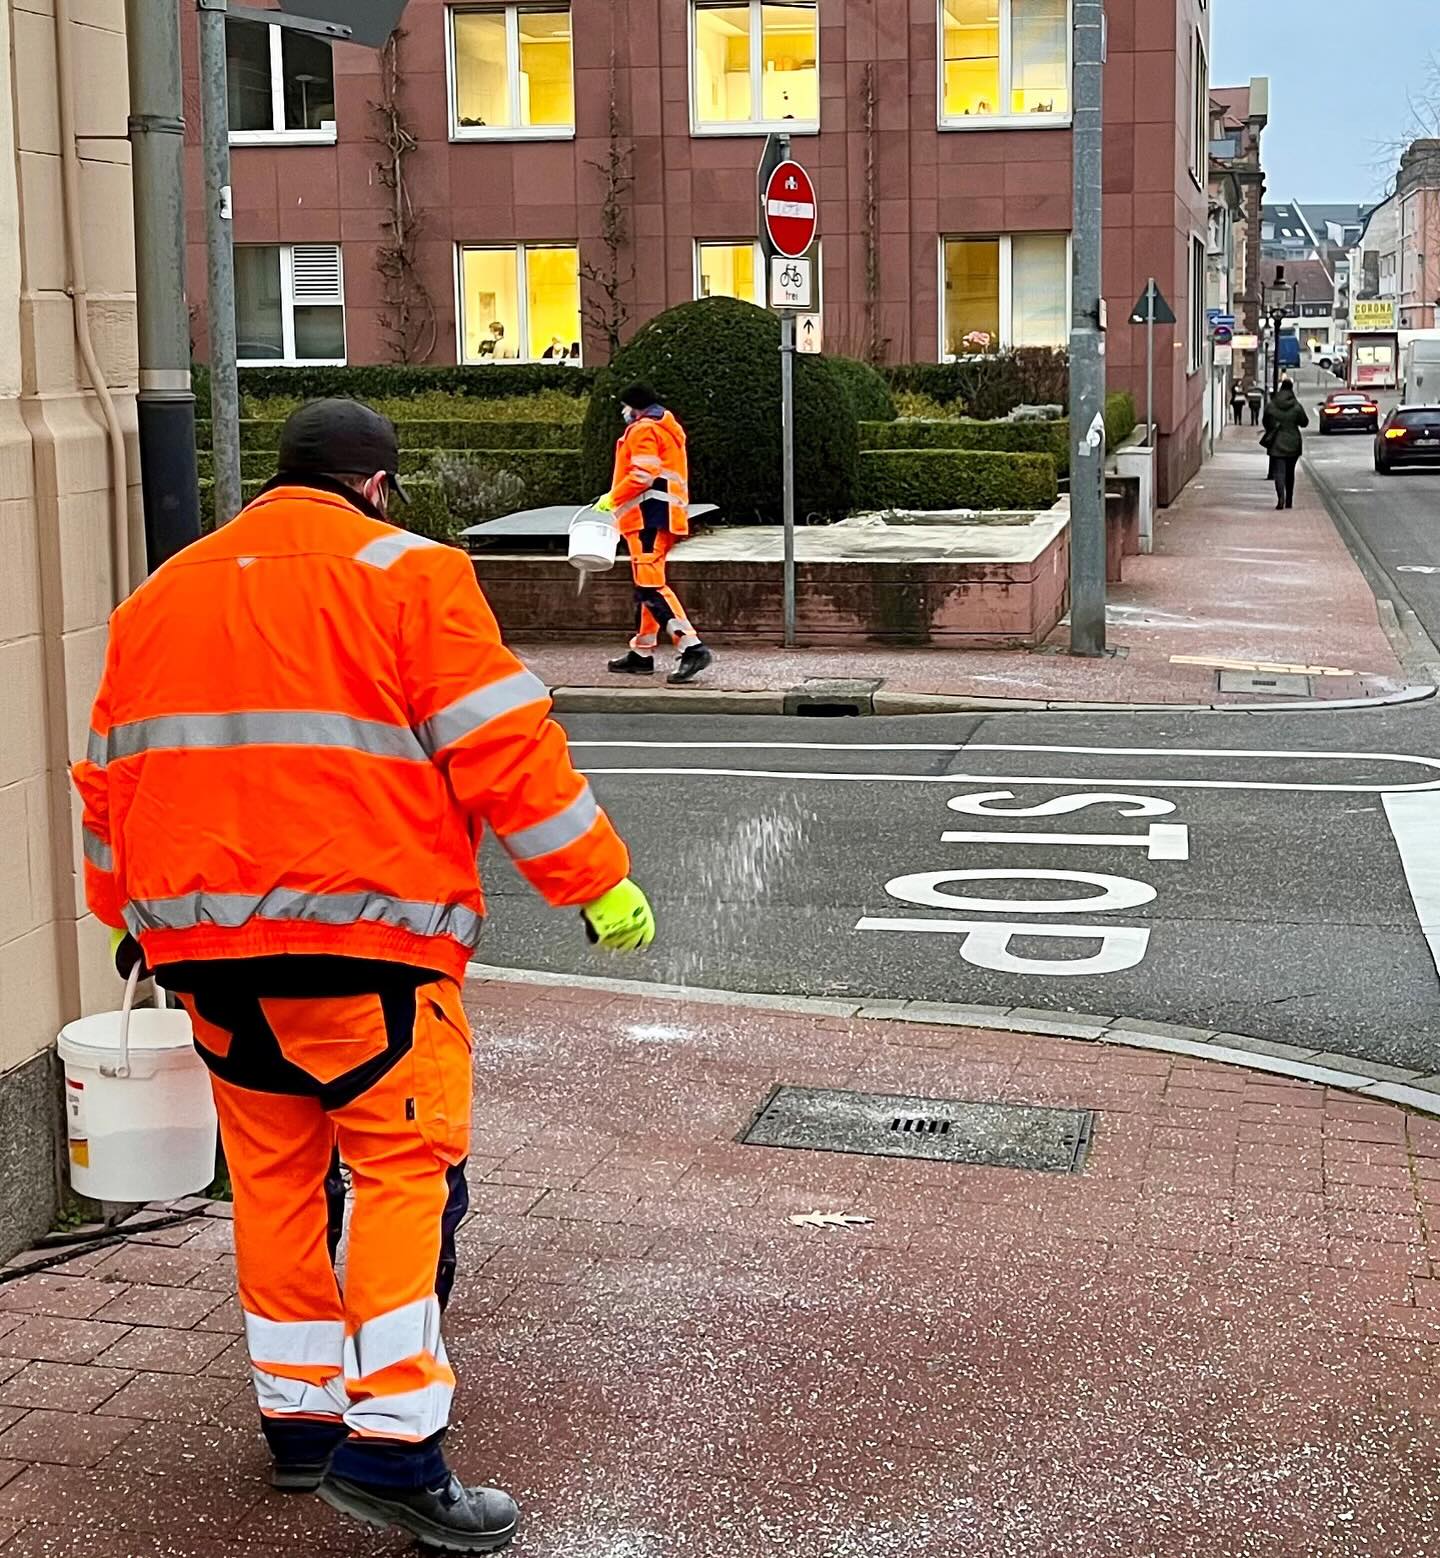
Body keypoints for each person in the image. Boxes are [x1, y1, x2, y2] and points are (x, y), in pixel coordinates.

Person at [71, 398, 657, 1554]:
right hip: (368, 950)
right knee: (399, 1174)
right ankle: (394, 1448)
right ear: (377, 485)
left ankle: (300, 1423)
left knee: (276, 1182)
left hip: (206, 959)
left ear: (277, 478)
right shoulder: (410, 576)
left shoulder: (160, 596)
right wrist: (595, 882)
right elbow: (503, 743)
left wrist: (123, 920)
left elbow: (107, 782)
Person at [597, 382, 713, 687]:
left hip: (648, 515)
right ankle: (643, 651)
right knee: (646, 584)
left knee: (650, 588)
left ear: (633, 406)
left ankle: (692, 647)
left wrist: (612, 497)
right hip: (661, 515)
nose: (623, 412)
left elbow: (641, 475)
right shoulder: (666, 426)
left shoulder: (643, 429)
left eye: (624, 406)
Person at [1262, 376, 1309, 510]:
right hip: (1293, 442)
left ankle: (1280, 498)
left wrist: (1273, 427)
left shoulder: (1272, 405)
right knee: (1290, 473)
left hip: (1277, 442)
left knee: (1279, 473)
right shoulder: (1296, 406)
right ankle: (1289, 500)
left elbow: (1265, 421)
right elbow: (1304, 422)